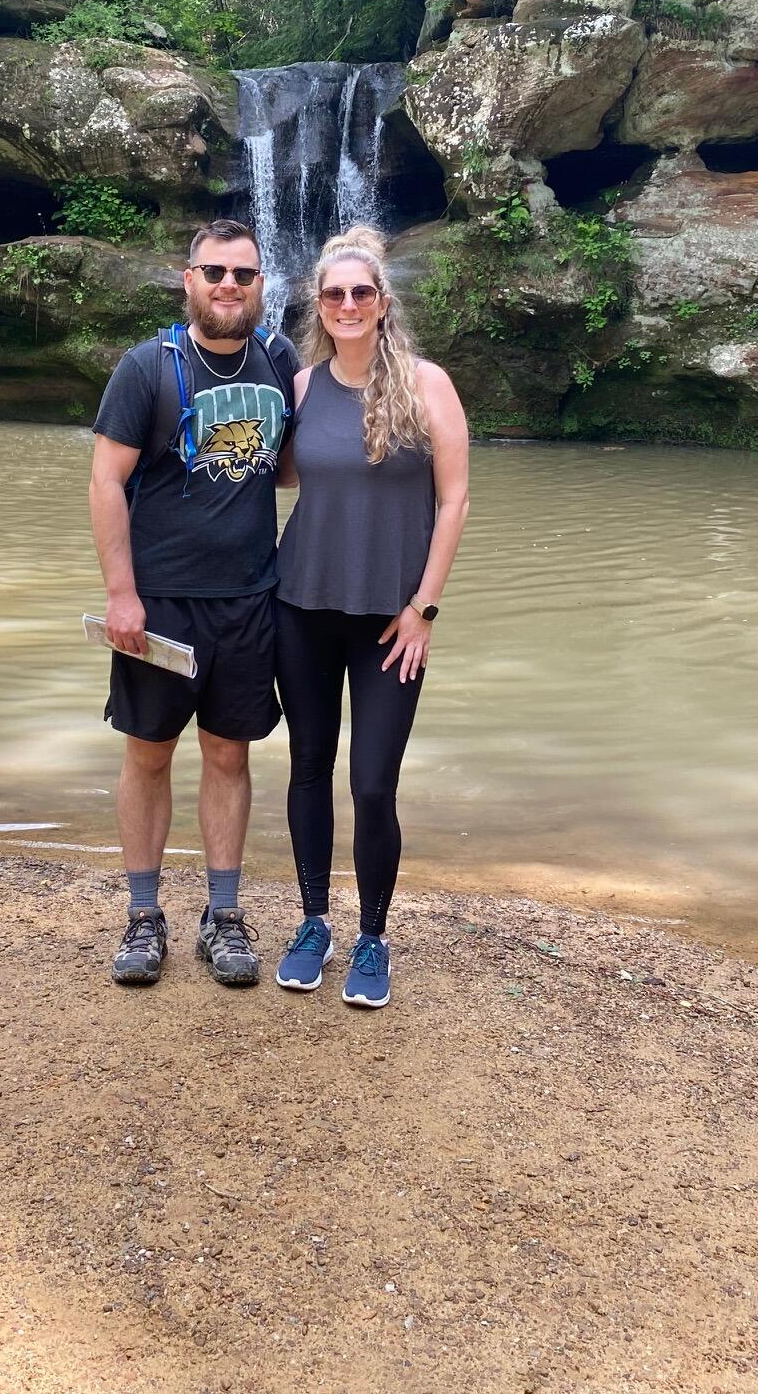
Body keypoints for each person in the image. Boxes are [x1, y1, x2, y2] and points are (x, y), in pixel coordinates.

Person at [89, 220, 298, 989]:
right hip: (161, 603)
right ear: (189, 280)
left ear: (260, 285)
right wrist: (122, 594)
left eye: (243, 274)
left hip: (249, 599)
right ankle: (144, 916)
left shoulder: (280, 360)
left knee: (228, 755)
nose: (228, 286)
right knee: (148, 753)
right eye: (215, 272)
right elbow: (105, 482)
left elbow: (295, 466)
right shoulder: (148, 367)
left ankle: (224, 914)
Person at [273, 226, 469, 1009]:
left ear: (382, 302)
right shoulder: (300, 388)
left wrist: (424, 608)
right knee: (308, 767)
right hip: (301, 606)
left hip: (393, 620)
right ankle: (314, 922)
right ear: (318, 306)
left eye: (361, 292)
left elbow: (454, 500)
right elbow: (273, 477)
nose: (347, 304)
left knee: (373, 784)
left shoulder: (427, 385)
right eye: (334, 294)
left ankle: (374, 936)